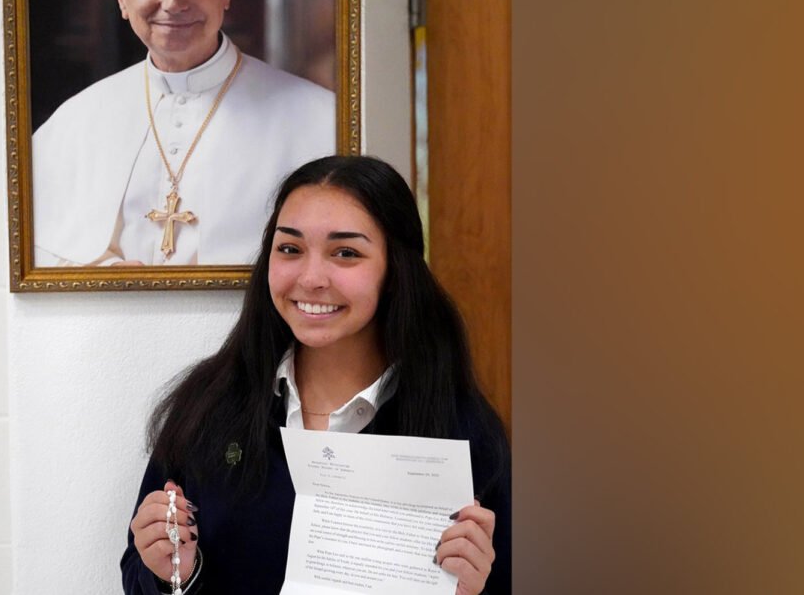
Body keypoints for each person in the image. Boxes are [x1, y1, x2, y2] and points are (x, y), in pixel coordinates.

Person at [120, 155, 512, 594]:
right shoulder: (208, 408)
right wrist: (169, 573)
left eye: (346, 253)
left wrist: (473, 590)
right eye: (290, 249)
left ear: (395, 268)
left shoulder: (463, 429)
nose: (311, 278)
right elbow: (140, 575)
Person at [31, 0, 335, 266]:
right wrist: (103, 275)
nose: (174, 2)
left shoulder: (320, 119)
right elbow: (28, 248)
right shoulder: (76, 119)